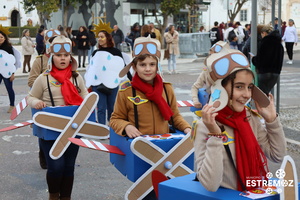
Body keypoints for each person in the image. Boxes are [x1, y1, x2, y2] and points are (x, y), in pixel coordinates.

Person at [193, 42, 286, 192]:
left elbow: (277, 156)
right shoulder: (206, 125)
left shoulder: (250, 118)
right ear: (221, 88)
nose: (247, 95)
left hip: (255, 192)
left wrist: (271, 121)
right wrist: (215, 135)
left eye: (249, 87)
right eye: (239, 87)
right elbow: (210, 184)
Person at [27, 35, 88, 200]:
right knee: (55, 167)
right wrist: (37, 102)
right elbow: (30, 97)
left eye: (66, 55)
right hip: (49, 130)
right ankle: (53, 196)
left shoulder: (76, 77)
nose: (63, 58)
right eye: (59, 55)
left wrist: (87, 104)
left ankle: (66, 197)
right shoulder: (43, 78)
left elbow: (85, 97)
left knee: (68, 167)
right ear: (52, 57)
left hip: (72, 129)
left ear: (70, 57)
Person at [110, 36, 191, 138]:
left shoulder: (166, 89)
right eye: (142, 65)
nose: (148, 69)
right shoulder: (126, 91)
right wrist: (127, 126)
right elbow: (115, 119)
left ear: (157, 67)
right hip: (139, 146)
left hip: (164, 144)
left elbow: (174, 117)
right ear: (135, 67)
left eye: (152, 64)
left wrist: (187, 128)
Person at [28, 29, 61, 170]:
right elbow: (31, 81)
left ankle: (58, 157)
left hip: (60, 105)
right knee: (43, 132)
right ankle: (44, 155)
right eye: (52, 41)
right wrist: (44, 82)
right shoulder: (40, 60)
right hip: (42, 103)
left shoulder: (64, 60)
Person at [85, 24, 126, 125]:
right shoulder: (95, 53)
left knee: (112, 107)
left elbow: (122, 67)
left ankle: (112, 128)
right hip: (98, 84)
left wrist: (131, 79)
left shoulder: (116, 52)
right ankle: (102, 129)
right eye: (98, 37)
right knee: (101, 108)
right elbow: (91, 68)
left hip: (113, 83)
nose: (99, 39)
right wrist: (89, 82)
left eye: (102, 37)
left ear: (107, 38)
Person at [252, 25, 284, 95]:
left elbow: (260, 59)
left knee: (261, 95)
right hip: (275, 73)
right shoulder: (279, 44)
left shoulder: (264, 42)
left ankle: (266, 106)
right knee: (266, 93)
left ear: (264, 33)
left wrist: (253, 59)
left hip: (264, 72)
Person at [0, 25, 20, 113]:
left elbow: (13, 61)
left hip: (7, 72)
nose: (0, 38)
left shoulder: (8, 48)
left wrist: (13, 73)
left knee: (9, 88)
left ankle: (12, 105)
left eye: (1, 37)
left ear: (4, 38)